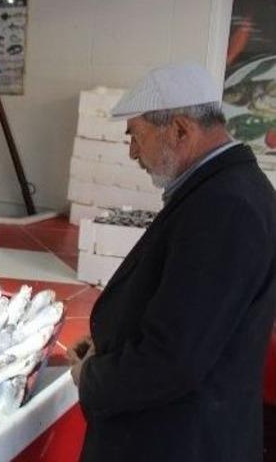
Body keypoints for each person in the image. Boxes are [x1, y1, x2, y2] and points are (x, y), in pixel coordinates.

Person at [67, 62, 276, 462]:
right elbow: (188, 311)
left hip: (178, 442)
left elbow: (174, 358)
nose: (131, 152)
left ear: (180, 129)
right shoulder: (224, 188)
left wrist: (92, 378)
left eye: (136, 137)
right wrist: (109, 344)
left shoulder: (226, 207)